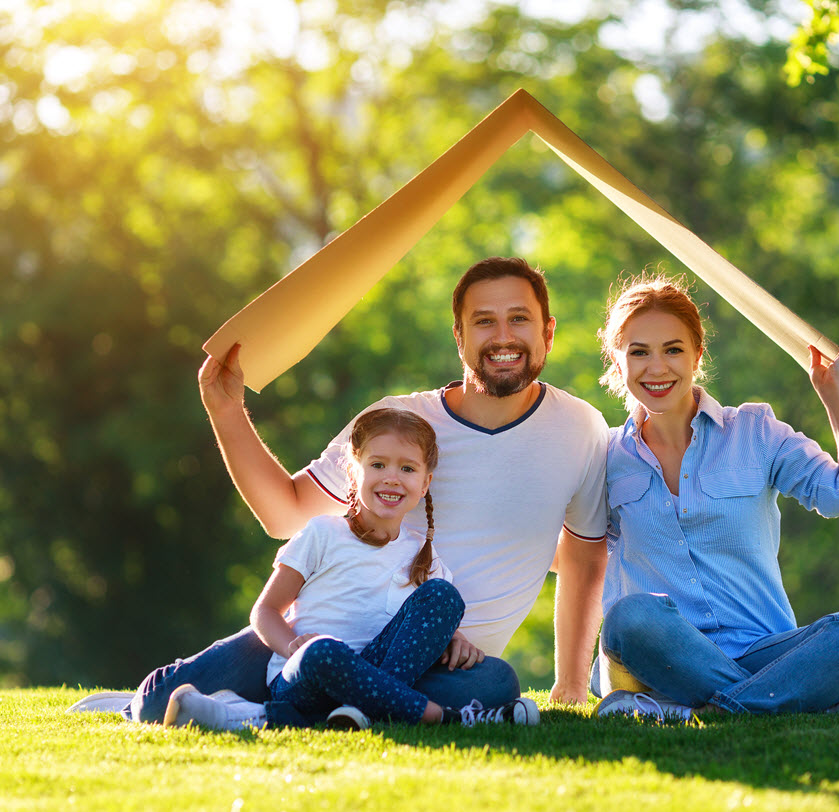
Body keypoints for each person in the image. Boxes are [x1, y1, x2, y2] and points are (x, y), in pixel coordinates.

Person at [125, 257, 608, 726]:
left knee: (495, 684)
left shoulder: (580, 428)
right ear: (459, 337)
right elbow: (285, 514)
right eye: (484, 322)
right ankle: (329, 706)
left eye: (519, 319)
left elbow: (585, 555)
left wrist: (570, 684)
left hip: (438, 663)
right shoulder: (399, 424)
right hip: (330, 634)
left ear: (547, 332)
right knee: (158, 706)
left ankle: (289, 710)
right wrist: (226, 410)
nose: (503, 337)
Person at [591, 276, 839, 721]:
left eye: (673, 349)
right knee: (630, 617)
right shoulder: (603, 456)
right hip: (661, 656)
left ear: (697, 355)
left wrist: (832, 393)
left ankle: (709, 708)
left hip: (763, 650)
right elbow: (575, 554)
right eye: (639, 352)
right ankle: (796, 696)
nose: (657, 367)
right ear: (617, 363)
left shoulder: (755, 432)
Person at [163, 408, 539, 730]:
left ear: (424, 483)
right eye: (378, 465)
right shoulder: (323, 532)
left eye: (407, 468)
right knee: (325, 652)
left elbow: (426, 627)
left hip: (375, 670)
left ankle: (329, 715)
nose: (392, 477)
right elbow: (265, 610)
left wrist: (454, 640)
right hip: (311, 672)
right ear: (353, 472)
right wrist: (293, 647)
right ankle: (442, 718)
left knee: (448, 602)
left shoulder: (426, 559)